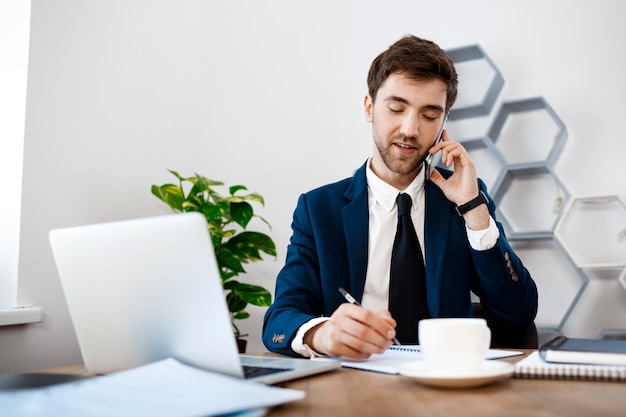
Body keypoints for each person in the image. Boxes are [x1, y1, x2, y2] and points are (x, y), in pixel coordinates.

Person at [262, 34, 538, 359]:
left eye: (430, 115)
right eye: (396, 108)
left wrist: (473, 209)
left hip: (442, 386)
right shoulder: (318, 210)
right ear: (369, 107)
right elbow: (279, 319)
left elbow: (518, 313)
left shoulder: (464, 201)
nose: (410, 128)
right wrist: (322, 334)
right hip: (352, 384)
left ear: (444, 123)